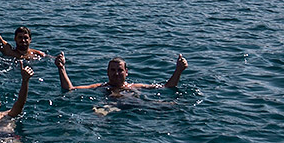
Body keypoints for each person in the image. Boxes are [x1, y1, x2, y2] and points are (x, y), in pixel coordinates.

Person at [54, 52, 188, 94]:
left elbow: (167, 87)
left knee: (167, 107)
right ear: (107, 72)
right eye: (113, 70)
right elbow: (70, 89)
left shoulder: (135, 87)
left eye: (120, 70)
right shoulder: (101, 87)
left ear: (126, 72)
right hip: (110, 106)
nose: (116, 74)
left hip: (135, 107)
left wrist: (178, 71)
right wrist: (61, 68)